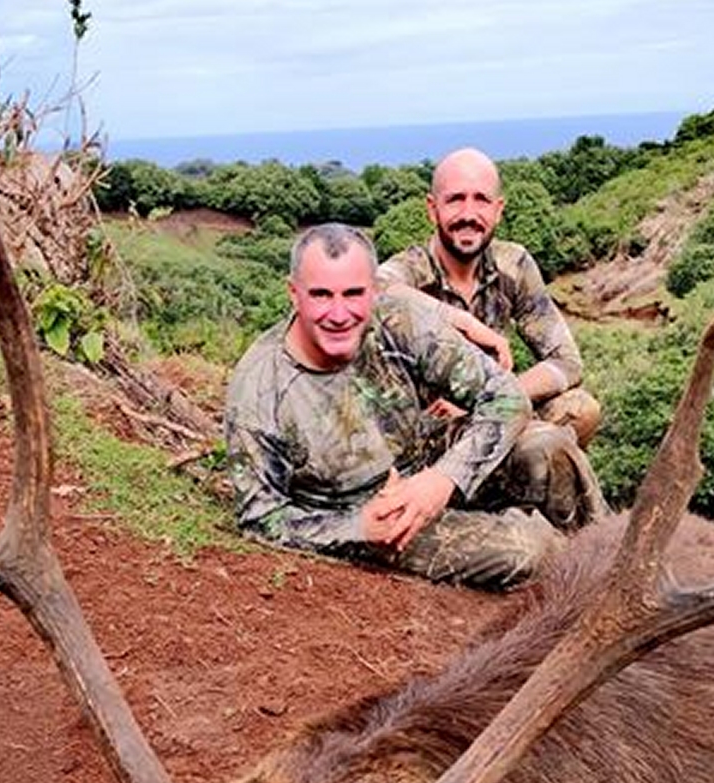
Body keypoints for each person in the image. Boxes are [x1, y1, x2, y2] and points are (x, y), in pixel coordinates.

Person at [224, 223, 607, 590]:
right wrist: (357, 528)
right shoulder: (259, 386)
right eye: (321, 295)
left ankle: (615, 560)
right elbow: (259, 516)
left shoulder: (399, 317)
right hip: (374, 513)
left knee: (549, 447)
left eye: (354, 294)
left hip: (424, 460)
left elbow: (505, 395)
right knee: (526, 551)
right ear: (294, 293)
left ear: (374, 290)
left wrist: (443, 479)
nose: (339, 314)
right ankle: (578, 581)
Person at [377, 147, 601, 447]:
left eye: (481, 199)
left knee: (580, 409)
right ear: (432, 209)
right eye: (455, 199)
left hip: (492, 413)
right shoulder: (412, 270)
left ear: (498, 209)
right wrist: (460, 320)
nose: (468, 214)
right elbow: (370, 289)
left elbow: (567, 362)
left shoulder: (514, 265)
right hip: (429, 435)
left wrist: (493, 394)